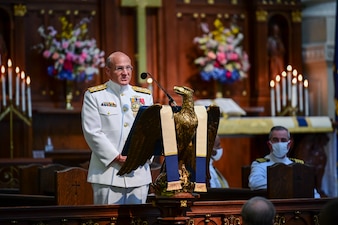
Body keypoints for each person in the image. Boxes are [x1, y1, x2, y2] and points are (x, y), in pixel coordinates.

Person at [81, 51, 154, 205]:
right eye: (119, 68)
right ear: (108, 71)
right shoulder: (95, 95)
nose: (125, 73)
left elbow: (151, 131)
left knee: (138, 222)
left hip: (138, 173)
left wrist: (141, 157)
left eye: (128, 68)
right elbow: (92, 132)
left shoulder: (145, 96)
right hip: (108, 173)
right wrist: (116, 156)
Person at [248, 125, 320, 198]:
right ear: (269, 144)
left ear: (289, 144)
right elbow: (254, 183)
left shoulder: (298, 165)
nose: (279, 143)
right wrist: (289, 182)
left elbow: (313, 192)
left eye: (283, 140)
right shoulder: (260, 164)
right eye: (275, 140)